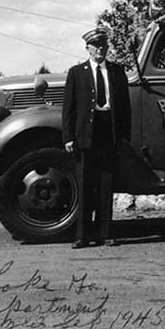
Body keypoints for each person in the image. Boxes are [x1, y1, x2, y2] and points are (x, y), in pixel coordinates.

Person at [62, 26, 131, 249]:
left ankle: (106, 234)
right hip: (84, 135)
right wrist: (68, 138)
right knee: (85, 184)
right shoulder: (76, 72)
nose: (100, 50)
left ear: (107, 47)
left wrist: (123, 136)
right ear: (87, 49)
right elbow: (69, 109)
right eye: (95, 46)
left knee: (106, 185)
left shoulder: (117, 71)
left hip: (108, 133)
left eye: (103, 46)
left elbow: (125, 107)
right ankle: (83, 236)